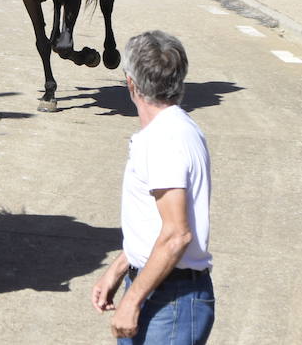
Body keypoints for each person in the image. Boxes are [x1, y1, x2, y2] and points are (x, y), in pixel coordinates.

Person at [92, 31, 214, 345]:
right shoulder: (176, 128)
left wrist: (131, 301)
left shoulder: (163, 141)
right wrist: (119, 268)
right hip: (161, 287)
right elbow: (155, 224)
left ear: (130, 83)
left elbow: (176, 234)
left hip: (169, 299)